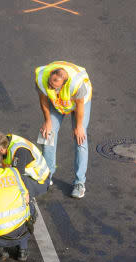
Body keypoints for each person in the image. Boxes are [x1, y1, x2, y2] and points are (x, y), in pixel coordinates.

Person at [35, 61, 92, 198]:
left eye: (54, 87)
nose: (50, 87)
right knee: (47, 134)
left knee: (80, 140)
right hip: (59, 103)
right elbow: (43, 100)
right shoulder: (42, 78)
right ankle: (48, 175)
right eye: (50, 84)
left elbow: (79, 106)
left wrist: (79, 127)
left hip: (78, 104)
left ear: (64, 84)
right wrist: (47, 121)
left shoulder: (77, 85)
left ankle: (79, 183)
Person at [0, 131, 49, 198]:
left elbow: (17, 178)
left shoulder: (19, 152)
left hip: (39, 180)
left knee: (13, 191)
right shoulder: (4, 141)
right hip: (27, 173)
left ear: (1, 150)